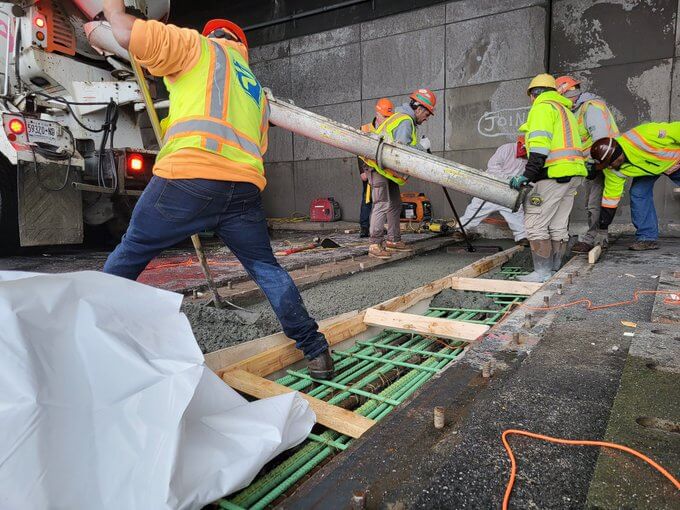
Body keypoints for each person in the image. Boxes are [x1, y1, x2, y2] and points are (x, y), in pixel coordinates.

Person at [101, 0, 335, 379]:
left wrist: (111, 11)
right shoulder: (255, 90)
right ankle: (315, 349)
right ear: (242, 47)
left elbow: (128, 33)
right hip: (242, 190)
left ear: (214, 35)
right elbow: (257, 148)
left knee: (133, 249)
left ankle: (86, 329)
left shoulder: (197, 47)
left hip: (187, 176)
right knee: (266, 269)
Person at [509, 74, 587, 282]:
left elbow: (540, 147)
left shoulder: (542, 108)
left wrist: (527, 176)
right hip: (573, 175)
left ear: (534, 94)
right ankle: (553, 270)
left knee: (535, 223)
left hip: (553, 175)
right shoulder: (566, 111)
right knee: (558, 225)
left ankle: (542, 273)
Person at [364, 89, 435, 259]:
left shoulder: (402, 118)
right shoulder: (405, 121)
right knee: (381, 203)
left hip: (386, 168)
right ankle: (375, 244)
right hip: (379, 167)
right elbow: (401, 150)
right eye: (427, 114)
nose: (426, 118)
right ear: (419, 109)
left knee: (395, 204)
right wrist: (422, 147)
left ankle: (393, 240)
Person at [590, 122, 680, 251]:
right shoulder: (613, 168)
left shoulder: (646, 135)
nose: (608, 167)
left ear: (617, 155)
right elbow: (610, 199)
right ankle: (647, 238)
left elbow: (677, 130)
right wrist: (603, 228)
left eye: (609, 164)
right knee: (638, 193)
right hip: (651, 169)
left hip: (675, 161)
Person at [556, 76, 619, 253]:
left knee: (595, 203)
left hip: (604, 161)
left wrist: (593, 163)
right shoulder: (578, 109)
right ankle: (595, 237)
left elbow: (601, 141)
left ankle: (596, 239)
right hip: (594, 162)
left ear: (566, 92)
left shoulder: (591, 108)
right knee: (592, 203)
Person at [459, 137, 528, 245]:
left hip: (509, 192)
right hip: (491, 187)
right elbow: (493, 166)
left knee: (516, 212)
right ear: (522, 146)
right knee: (475, 209)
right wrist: (508, 179)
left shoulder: (528, 158)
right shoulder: (507, 149)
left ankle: (522, 237)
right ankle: (461, 230)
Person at [358, 98, 394, 238]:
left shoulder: (389, 128)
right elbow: (358, 151)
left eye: (389, 117)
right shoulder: (365, 129)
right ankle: (365, 227)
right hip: (369, 170)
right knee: (367, 199)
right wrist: (362, 171)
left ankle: (376, 227)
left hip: (383, 170)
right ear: (377, 114)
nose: (387, 120)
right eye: (385, 117)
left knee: (381, 200)